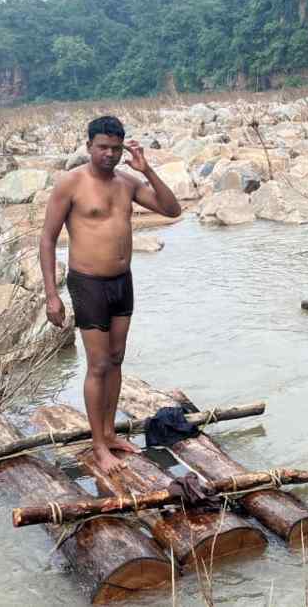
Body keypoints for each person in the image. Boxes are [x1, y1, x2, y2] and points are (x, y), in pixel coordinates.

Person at [39, 116, 182, 474]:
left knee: (116, 359)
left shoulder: (127, 183)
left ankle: (109, 433)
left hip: (122, 281)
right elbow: (47, 239)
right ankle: (99, 446)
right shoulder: (71, 183)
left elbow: (172, 209)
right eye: (102, 147)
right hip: (88, 283)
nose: (109, 154)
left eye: (116, 149)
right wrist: (52, 295)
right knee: (98, 364)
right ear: (89, 146)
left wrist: (147, 170)